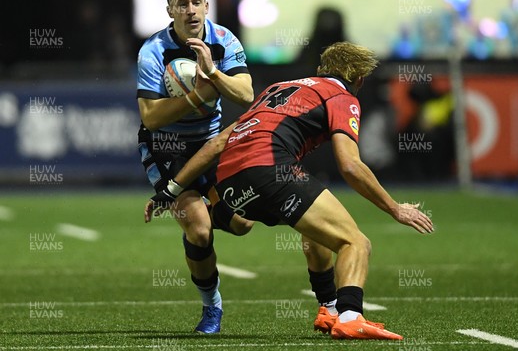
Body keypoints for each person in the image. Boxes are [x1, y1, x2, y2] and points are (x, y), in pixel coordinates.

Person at [145, 42, 434, 340]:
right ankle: (350, 315)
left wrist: (171, 189)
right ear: (358, 78)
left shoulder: (277, 88)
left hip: (230, 182)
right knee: (355, 243)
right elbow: (350, 166)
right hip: (269, 170)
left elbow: (217, 144)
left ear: (322, 69)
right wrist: (394, 208)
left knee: (312, 224)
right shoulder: (341, 95)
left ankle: (329, 308)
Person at [136, 0, 253, 334]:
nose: (191, 10)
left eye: (196, 2)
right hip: (166, 147)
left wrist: (213, 75)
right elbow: (151, 117)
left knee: (242, 223)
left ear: (206, 5)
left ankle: (202, 207)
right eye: (182, 4)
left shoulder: (223, 40)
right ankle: (211, 307)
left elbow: (246, 95)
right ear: (170, 10)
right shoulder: (153, 51)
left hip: (210, 142)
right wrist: (196, 96)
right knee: (200, 232)